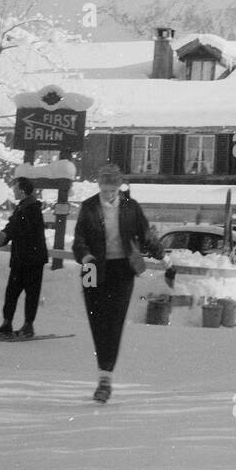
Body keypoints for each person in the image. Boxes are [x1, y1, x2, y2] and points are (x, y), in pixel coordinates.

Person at [72, 164, 161, 404]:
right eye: (105, 187)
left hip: (122, 269)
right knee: (96, 320)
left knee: (114, 321)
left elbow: (145, 235)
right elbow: (78, 239)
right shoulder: (89, 207)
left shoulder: (131, 207)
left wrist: (159, 251)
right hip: (92, 268)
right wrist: (85, 255)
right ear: (99, 185)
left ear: (119, 186)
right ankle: (104, 370)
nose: (109, 193)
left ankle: (105, 378)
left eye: (113, 188)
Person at [0, 177, 49, 338]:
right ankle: (7, 323)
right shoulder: (22, 207)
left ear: (22, 190)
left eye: (15, 188)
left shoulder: (32, 208)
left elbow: (17, 229)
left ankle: (28, 326)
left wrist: (0, 239)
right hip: (21, 259)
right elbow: (12, 227)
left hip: (33, 260)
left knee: (31, 294)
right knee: (11, 292)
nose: (13, 190)